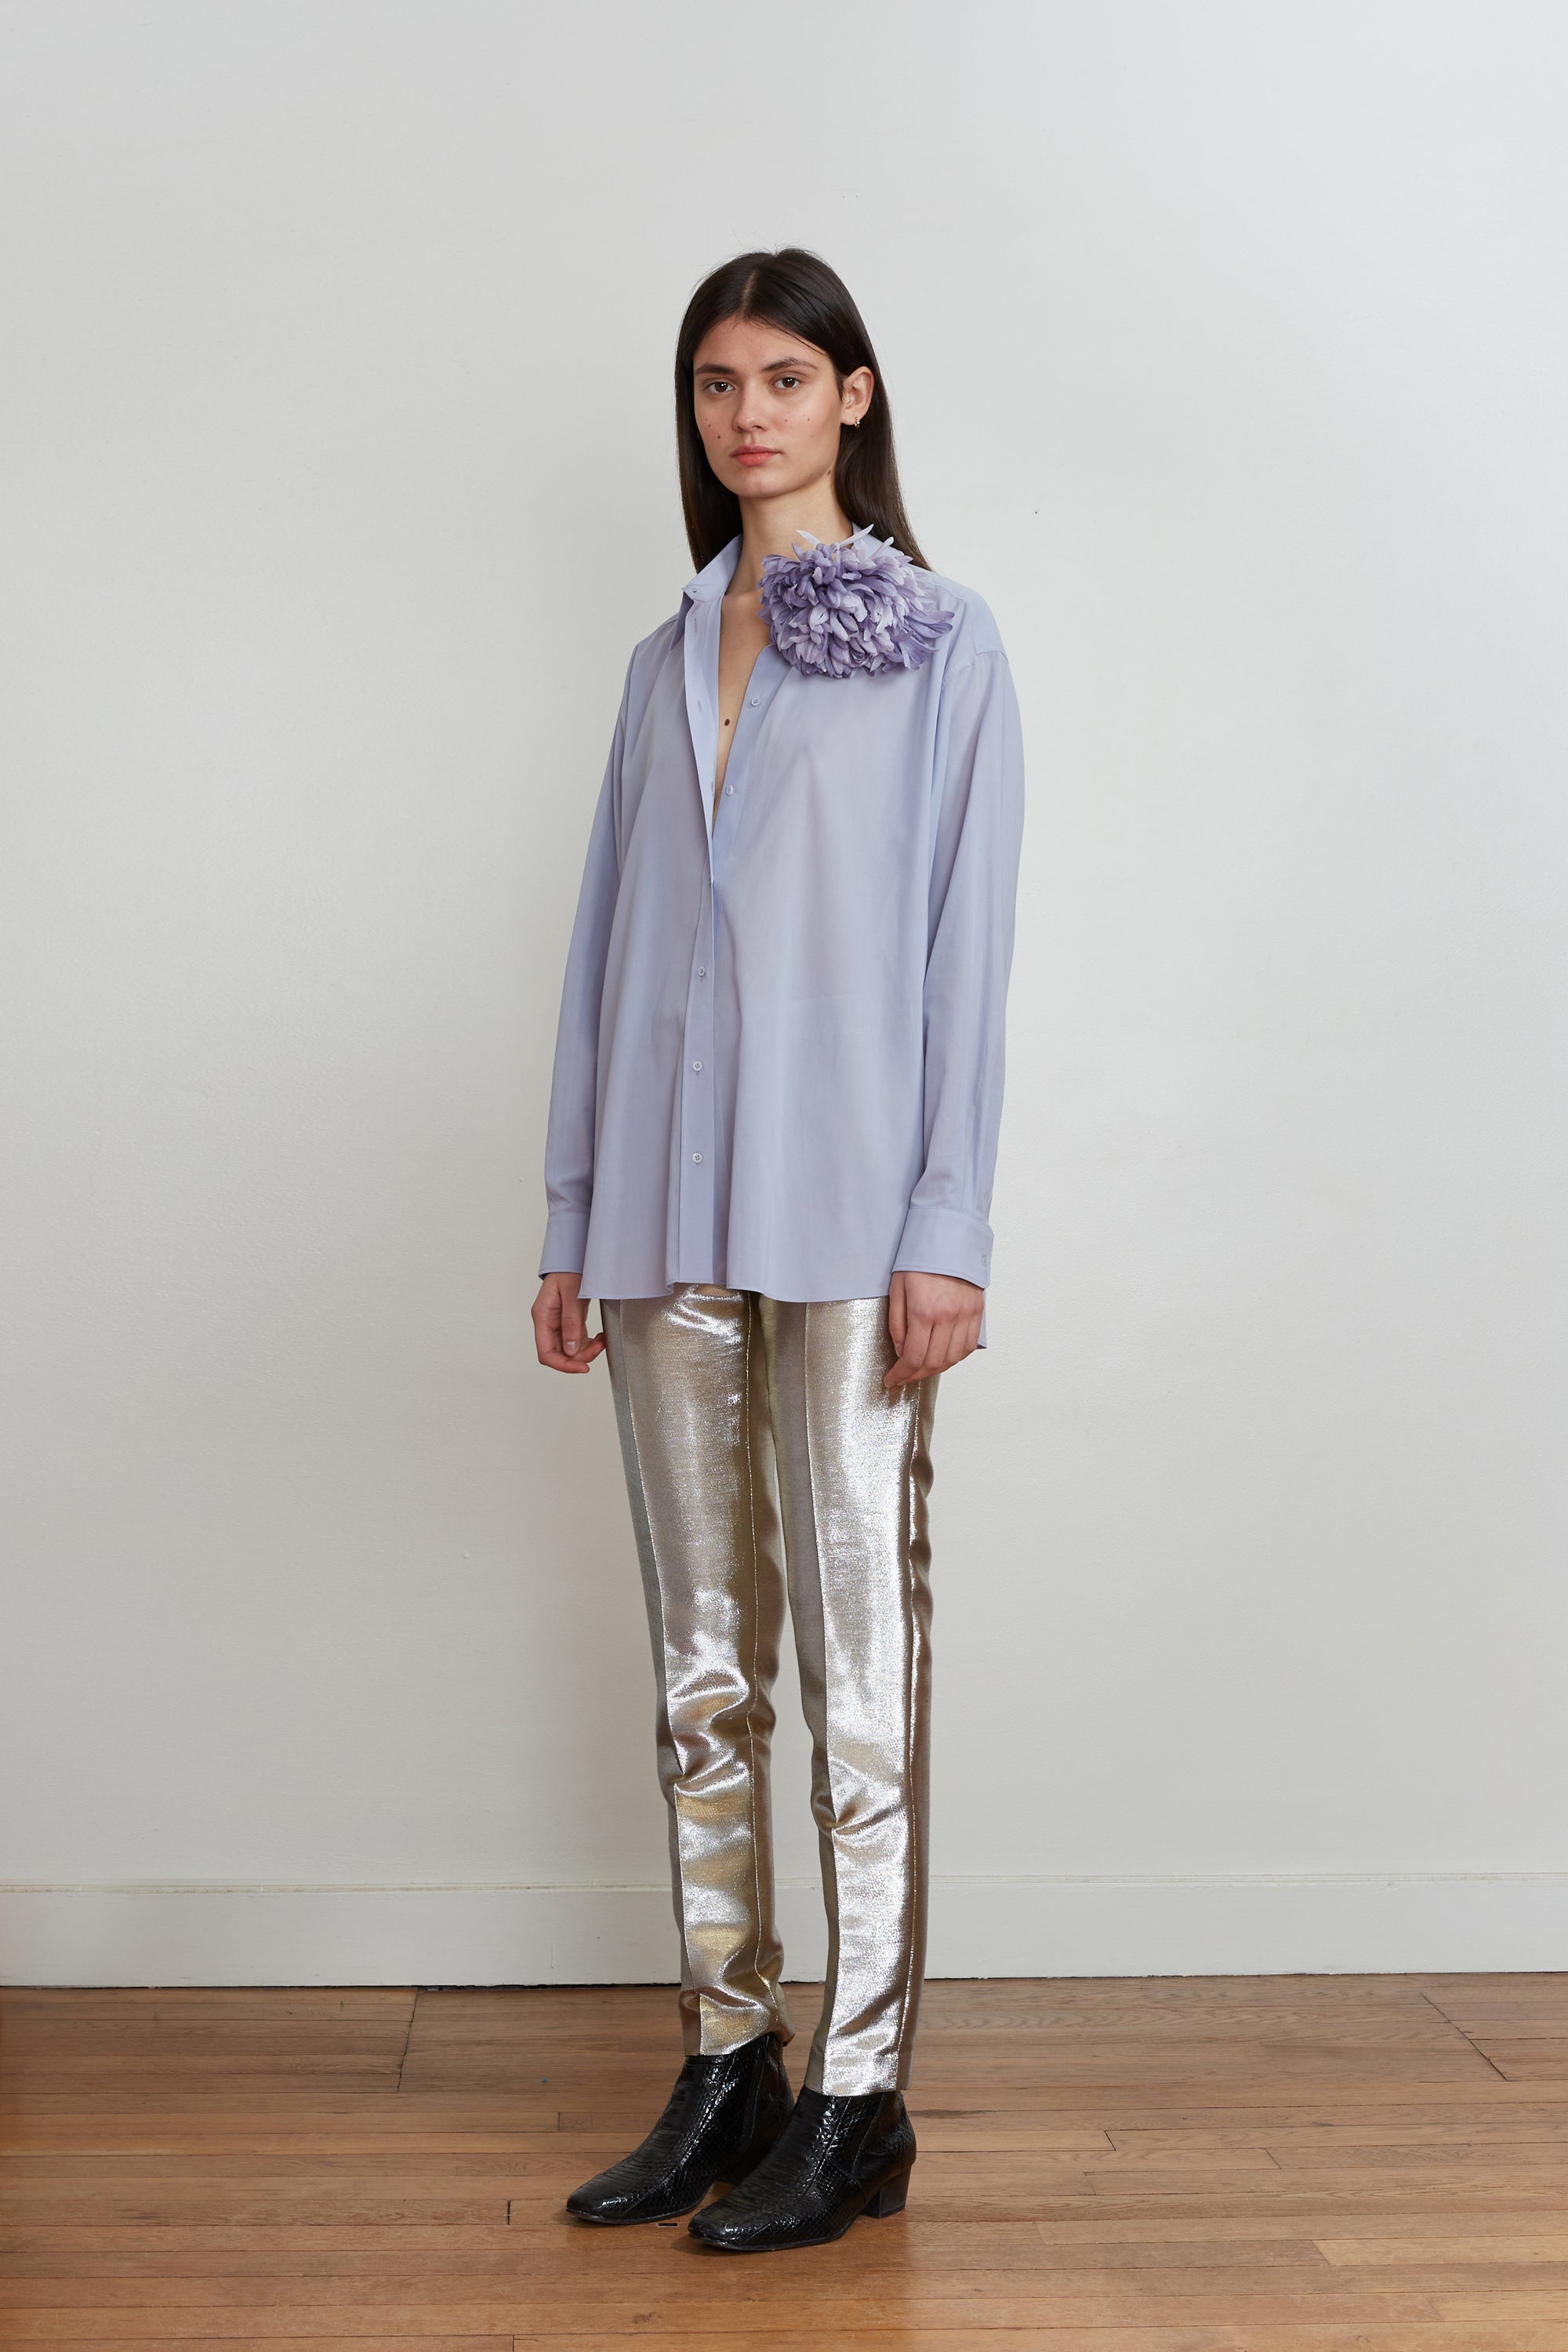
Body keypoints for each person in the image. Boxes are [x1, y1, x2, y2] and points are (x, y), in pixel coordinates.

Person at [532, 247, 1025, 2252]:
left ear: (853, 397)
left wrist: (947, 1227)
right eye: (718, 384)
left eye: (784, 380)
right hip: (663, 1213)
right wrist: (574, 1212)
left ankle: (859, 2089)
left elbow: (964, 955)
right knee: (700, 1668)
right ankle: (728, 2053)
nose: (748, 415)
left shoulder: (942, 643)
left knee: (857, 1678)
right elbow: (607, 948)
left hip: (848, 1213)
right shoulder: (663, 657)